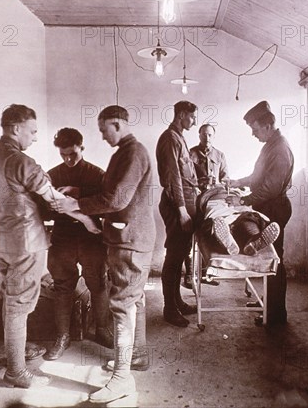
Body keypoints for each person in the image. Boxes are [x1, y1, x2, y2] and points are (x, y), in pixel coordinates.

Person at [0, 104, 98, 388]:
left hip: (2, 239)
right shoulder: (22, 162)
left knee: (12, 301)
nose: (34, 138)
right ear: (16, 128)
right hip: (26, 243)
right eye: (32, 131)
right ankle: (16, 371)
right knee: (20, 307)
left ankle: (16, 353)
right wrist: (86, 220)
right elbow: (55, 201)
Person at [52, 106, 155, 404]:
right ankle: (137, 356)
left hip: (130, 240)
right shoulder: (126, 151)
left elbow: (117, 198)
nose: (101, 135)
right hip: (132, 237)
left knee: (122, 306)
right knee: (134, 300)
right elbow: (115, 193)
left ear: (118, 124)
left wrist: (75, 205)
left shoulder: (132, 153)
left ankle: (122, 379)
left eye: (103, 129)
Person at [43, 128, 112, 361]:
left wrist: (79, 196)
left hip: (91, 237)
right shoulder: (52, 175)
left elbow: (108, 204)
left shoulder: (97, 175)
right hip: (62, 237)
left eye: (73, 153)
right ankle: (63, 336)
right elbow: (43, 211)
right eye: (63, 155)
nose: (68, 160)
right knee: (62, 286)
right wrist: (50, 206)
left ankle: (102, 329)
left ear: (82, 147)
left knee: (98, 283)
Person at [226, 100, 294, 327]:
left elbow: (270, 188)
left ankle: (275, 315)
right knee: (269, 257)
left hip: (275, 207)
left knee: (274, 260)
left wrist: (243, 199)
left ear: (267, 126)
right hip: (268, 206)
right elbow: (258, 177)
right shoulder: (270, 146)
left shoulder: (280, 148)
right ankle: (269, 303)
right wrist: (239, 181)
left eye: (255, 130)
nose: (253, 135)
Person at [156, 100, 199, 327]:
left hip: (185, 203)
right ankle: (169, 309)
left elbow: (185, 174)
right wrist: (182, 211)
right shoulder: (170, 138)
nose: (195, 121)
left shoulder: (179, 137)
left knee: (180, 255)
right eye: (192, 117)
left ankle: (177, 301)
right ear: (182, 114)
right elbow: (173, 178)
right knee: (173, 257)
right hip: (176, 206)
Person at [183, 123, 228, 287]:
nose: (206, 138)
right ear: (199, 135)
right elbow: (186, 178)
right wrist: (200, 182)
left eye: (209, 135)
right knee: (188, 237)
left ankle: (204, 274)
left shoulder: (220, 155)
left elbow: (226, 178)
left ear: (213, 136)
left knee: (207, 236)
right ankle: (188, 275)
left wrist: (220, 183)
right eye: (203, 135)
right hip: (194, 201)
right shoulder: (191, 154)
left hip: (211, 203)